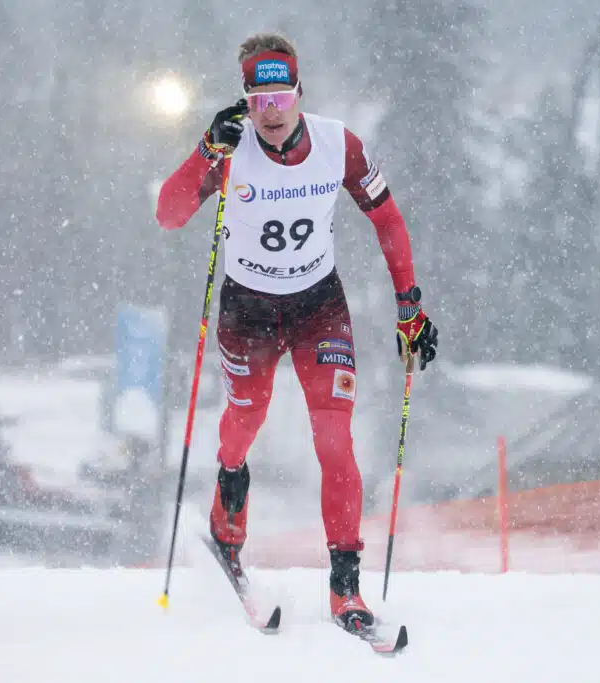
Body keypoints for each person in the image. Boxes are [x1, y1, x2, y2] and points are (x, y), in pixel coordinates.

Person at [155, 31, 438, 630]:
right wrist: (205, 149)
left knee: (335, 441)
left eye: (283, 97)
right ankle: (228, 514)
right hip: (247, 311)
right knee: (244, 423)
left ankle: (345, 586)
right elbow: (169, 215)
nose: (272, 112)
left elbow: (386, 218)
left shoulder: (340, 145)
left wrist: (408, 304)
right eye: (260, 99)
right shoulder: (228, 149)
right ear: (245, 99)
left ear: (300, 93)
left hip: (318, 307)